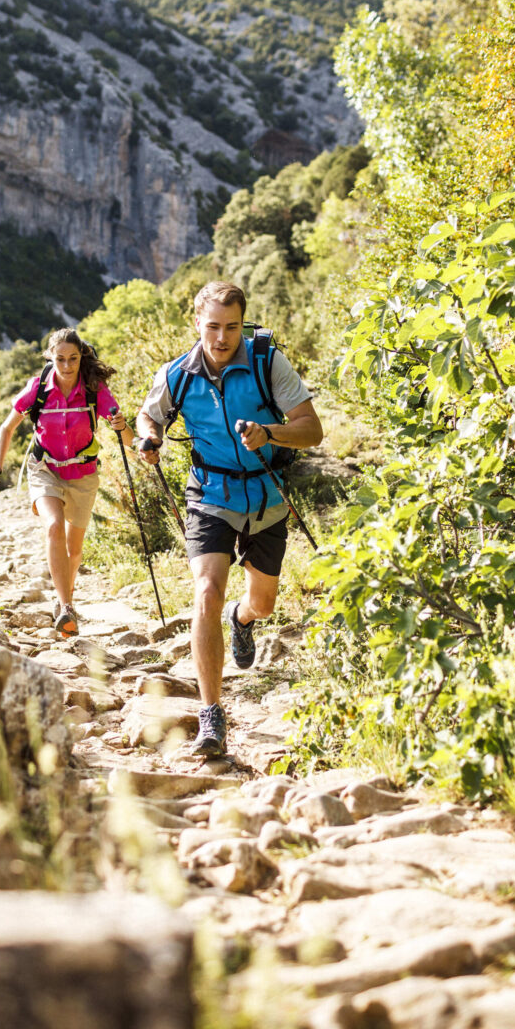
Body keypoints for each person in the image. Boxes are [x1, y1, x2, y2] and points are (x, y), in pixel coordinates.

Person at [136, 282, 323, 758]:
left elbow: (312, 429)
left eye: (232, 327)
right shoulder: (178, 374)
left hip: (265, 495)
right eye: (213, 326)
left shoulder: (266, 361)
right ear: (196, 323)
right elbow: (148, 415)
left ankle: (242, 621)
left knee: (261, 604)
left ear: (244, 323)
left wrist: (270, 432)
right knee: (206, 591)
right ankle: (211, 714)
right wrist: (150, 439)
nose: (222, 338)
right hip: (209, 494)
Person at [0, 328, 132, 638]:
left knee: (74, 550)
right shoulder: (37, 389)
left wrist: (125, 428)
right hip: (45, 468)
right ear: (50, 357)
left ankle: (66, 599)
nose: (66, 366)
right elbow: (7, 428)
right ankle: (66, 608)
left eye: (73, 359)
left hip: (83, 475)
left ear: (81, 357)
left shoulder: (93, 389)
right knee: (53, 527)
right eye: (60, 359)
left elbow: (125, 435)